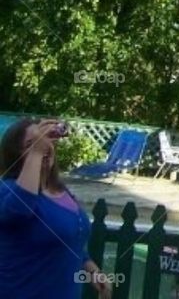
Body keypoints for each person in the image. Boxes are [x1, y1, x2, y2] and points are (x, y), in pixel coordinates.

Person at [0, 118, 112, 298]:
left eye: (46, 142)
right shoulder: (7, 190)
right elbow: (19, 210)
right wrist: (36, 152)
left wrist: (91, 269)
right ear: (15, 154)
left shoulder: (61, 191)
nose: (44, 148)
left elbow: (67, 240)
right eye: (31, 144)